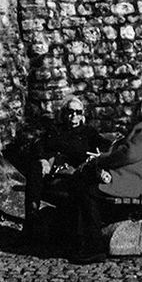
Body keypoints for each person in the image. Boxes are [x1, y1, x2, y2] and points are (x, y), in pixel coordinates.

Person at [65, 97, 142, 263]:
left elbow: (127, 154)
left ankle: (93, 247)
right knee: (84, 185)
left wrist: (100, 160)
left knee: (87, 191)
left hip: (132, 184)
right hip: (132, 181)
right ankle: (84, 243)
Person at [23, 97, 108, 238]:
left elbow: (103, 145)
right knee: (35, 168)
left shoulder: (88, 132)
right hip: (53, 171)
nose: (74, 116)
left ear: (82, 115)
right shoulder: (56, 130)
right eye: (70, 111)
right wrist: (43, 159)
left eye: (78, 112)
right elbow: (38, 144)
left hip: (74, 175)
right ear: (64, 113)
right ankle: (32, 213)